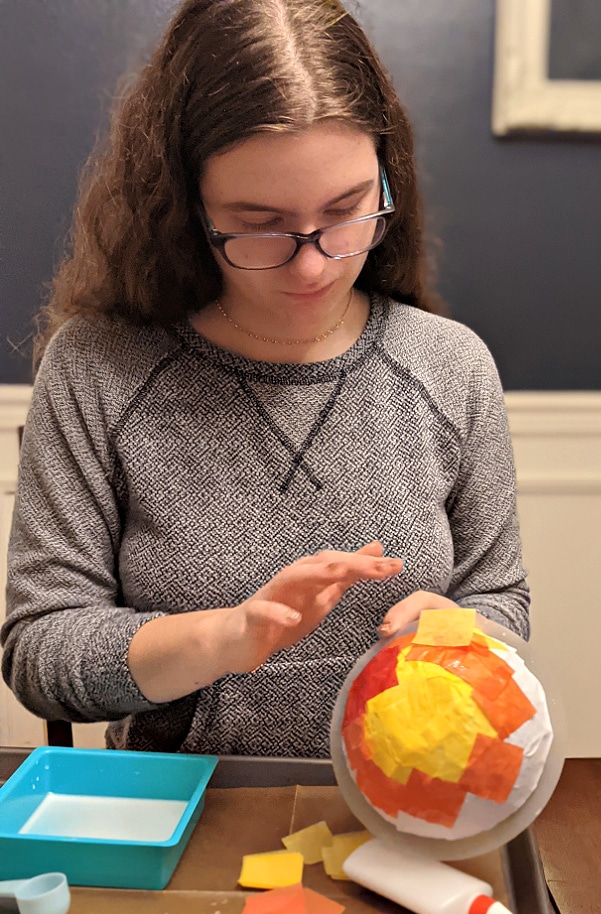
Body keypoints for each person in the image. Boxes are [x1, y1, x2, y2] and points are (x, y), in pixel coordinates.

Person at [1, 0, 529, 757]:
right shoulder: (97, 368)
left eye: (344, 210)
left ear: (387, 178)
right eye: (258, 223)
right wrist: (223, 637)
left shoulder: (451, 366)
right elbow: (41, 657)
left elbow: (499, 601)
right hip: (180, 821)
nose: (313, 263)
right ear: (184, 209)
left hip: (407, 803)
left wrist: (462, 634)